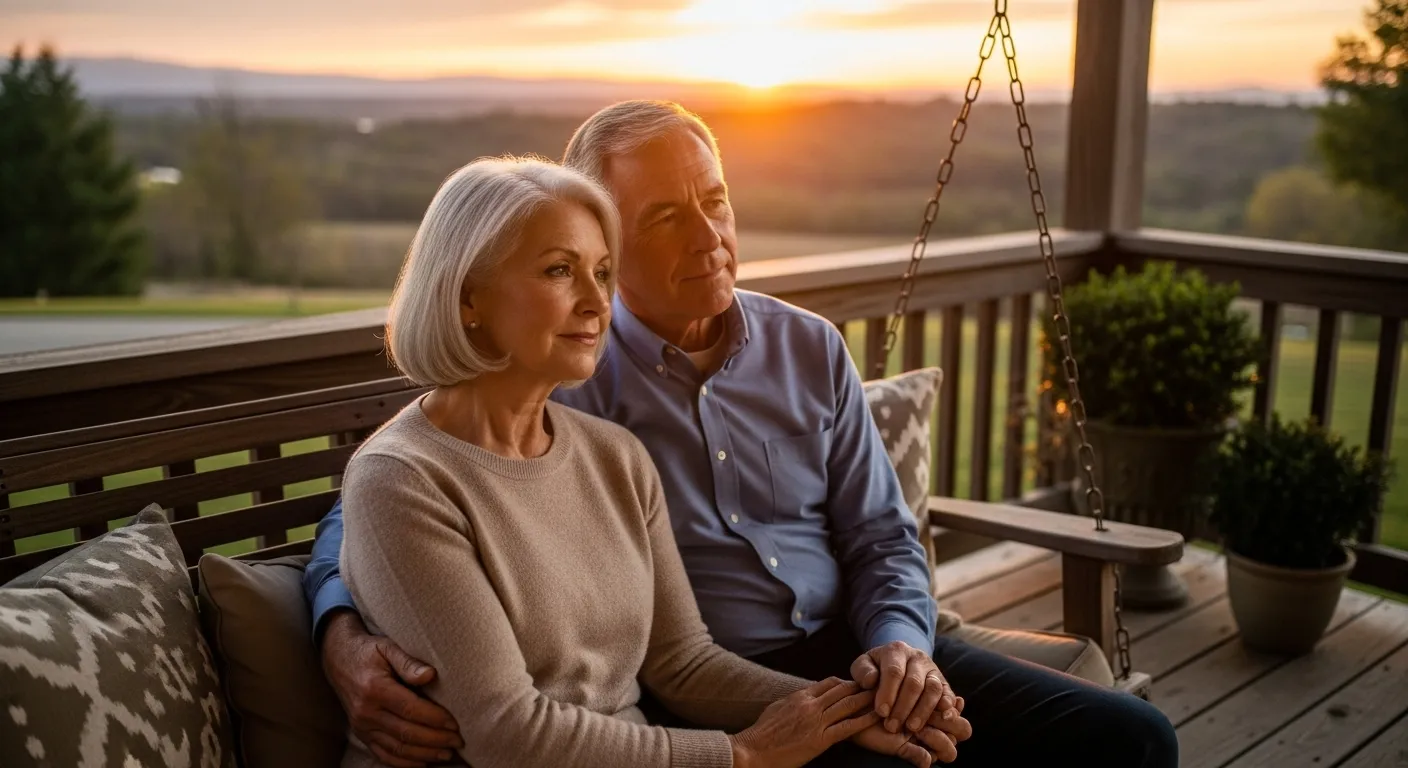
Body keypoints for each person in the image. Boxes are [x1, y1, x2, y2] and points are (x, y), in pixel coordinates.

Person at [306, 102, 1178, 768]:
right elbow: (391, 495)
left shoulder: (803, 349)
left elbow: (882, 535)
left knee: (1128, 740)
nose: (711, 236)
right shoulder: (564, 370)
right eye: (664, 218)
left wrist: (900, 654)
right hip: (703, 686)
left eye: (715, 201)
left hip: (857, 646)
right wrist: (339, 630)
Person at [329, 154, 968, 768]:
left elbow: (682, 662)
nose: (595, 301)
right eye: (559, 271)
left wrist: (857, 714)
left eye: (602, 273)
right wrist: (741, 755)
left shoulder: (614, 455)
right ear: (468, 298)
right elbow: (505, 735)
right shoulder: (402, 479)